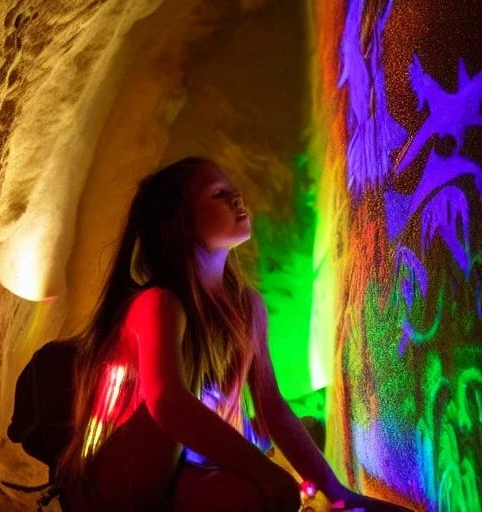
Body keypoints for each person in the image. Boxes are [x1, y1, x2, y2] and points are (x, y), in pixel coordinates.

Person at [56, 157, 413, 512]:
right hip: (116, 483)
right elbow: (169, 404)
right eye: (218, 194)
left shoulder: (248, 307)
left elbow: (272, 406)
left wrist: (340, 496)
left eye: (232, 190)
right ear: (179, 223)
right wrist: (265, 470)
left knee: (273, 496)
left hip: (177, 481)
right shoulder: (158, 303)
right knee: (266, 483)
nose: (237, 198)